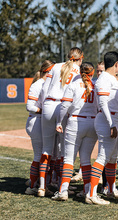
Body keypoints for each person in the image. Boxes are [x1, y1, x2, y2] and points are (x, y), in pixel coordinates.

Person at [85, 51, 118, 205]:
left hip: (116, 120)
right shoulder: (104, 78)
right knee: (103, 157)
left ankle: (110, 190)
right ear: (117, 63)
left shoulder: (110, 78)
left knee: (112, 159)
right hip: (108, 121)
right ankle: (91, 194)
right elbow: (103, 103)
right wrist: (111, 123)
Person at [38, 47, 83, 197]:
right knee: (64, 151)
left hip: (49, 105)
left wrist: (43, 106)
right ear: (80, 57)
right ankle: (61, 185)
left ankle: (42, 187)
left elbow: (44, 88)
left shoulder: (56, 66)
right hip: (64, 107)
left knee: (46, 149)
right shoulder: (79, 70)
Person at [51, 62, 98, 201]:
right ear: (92, 72)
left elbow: (64, 105)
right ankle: (87, 189)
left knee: (69, 159)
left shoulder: (73, 85)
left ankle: (63, 191)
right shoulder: (95, 86)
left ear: (80, 72)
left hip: (76, 122)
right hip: (92, 123)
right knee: (85, 159)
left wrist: (59, 122)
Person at [25, 60, 55, 195]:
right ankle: (32, 187)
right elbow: (29, 106)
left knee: (45, 154)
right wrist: (45, 111)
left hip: (41, 121)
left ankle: (38, 184)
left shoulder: (48, 84)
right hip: (36, 121)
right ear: (47, 71)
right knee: (39, 155)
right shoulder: (38, 85)